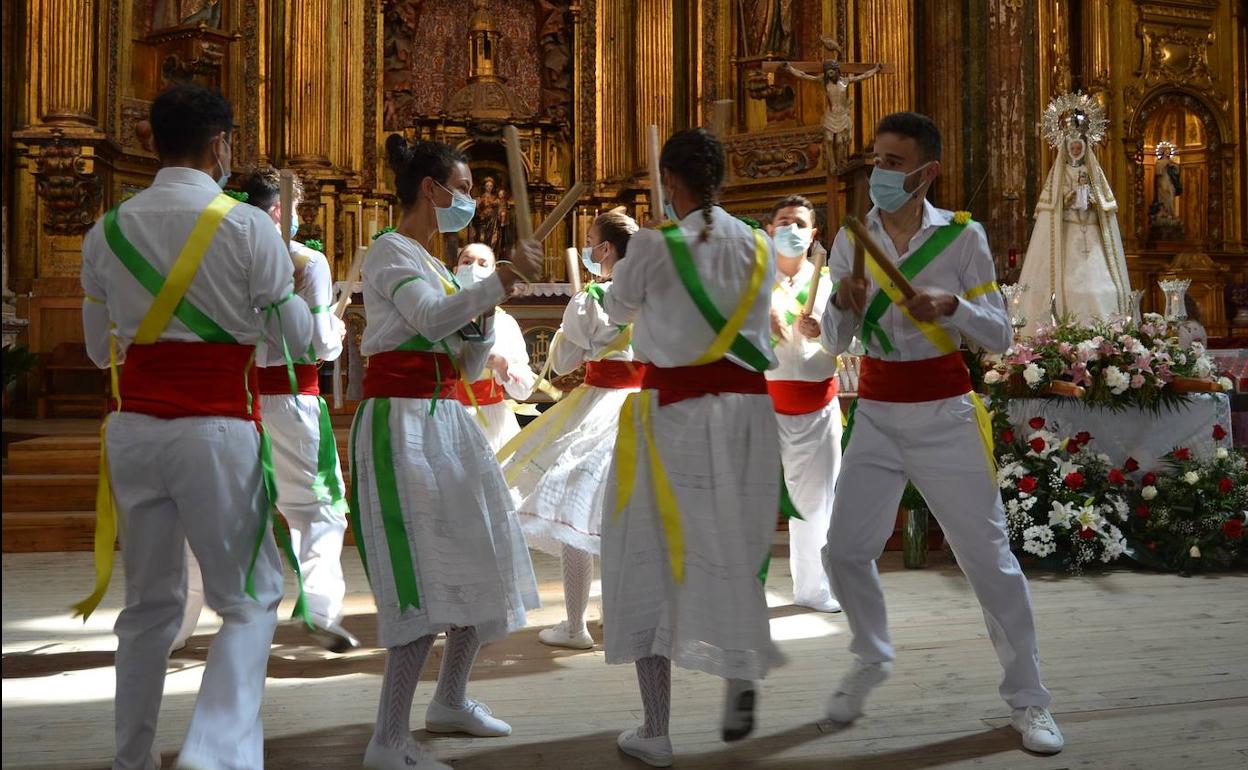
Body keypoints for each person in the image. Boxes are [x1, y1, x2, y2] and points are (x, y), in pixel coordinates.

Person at [803, 111, 1064, 754]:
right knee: (843, 551)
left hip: (946, 410)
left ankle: (1029, 701)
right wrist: (841, 304)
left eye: (893, 163)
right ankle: (871, 652)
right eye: (875, 160)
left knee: (989, 562)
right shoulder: (852, 239)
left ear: (928, 171)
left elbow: (1001, 335)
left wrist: (952, 307)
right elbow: (834, 343)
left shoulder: (962, 237)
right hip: (880, 414)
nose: (878, 173)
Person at [78, 83, 313, 770]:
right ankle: (214, 756)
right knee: (250, 597)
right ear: (219, 146)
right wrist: (293, 286)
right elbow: (296, 343)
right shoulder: (247, 228)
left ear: (151, 141)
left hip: (134, 431)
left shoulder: (107, 230)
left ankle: (132, 759)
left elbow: (101, 351)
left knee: (150, 605)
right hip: (215, 430)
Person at [351, 133, 543, 770]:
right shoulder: (388, 252)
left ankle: (451, 701)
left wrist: (489, 317)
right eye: (461, 189)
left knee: (477, 562)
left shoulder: (433, 261)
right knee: (424, 578)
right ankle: (388, 738)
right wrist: (498, 283)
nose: (469, 201)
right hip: (400, 422)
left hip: (446, 417)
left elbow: (463, 355)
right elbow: (431, 319)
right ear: (431, 190)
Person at [601, 128, 785, 767]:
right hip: (749, 415)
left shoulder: (653, 243)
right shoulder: (759, 243)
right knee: (731, 549)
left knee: (649, 552)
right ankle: (740, 676)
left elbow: (616, 308)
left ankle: (657, 728)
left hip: (675, 414)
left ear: (672, 183)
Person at [170, 166, 358, 655]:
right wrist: (334, 338)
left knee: (217, 507)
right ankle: (319, 607)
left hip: (233, 397)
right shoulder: (305, 260)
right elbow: (315, 341)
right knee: (316, 507)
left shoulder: (215, 256)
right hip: (291, 394)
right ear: (279, 211)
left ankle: (177, 621)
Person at [501, 207, 643, 650]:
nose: (585, 247)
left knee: (574, 513)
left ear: (604, 249)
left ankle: (575, 624)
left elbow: (562, 364)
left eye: (589, 239)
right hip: (650, 407)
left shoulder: (592, 299)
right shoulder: (660, 293)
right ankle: (629, 618)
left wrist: (572, 329)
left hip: (600, 405)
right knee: (632, 515)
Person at [764, 194, 842, 614]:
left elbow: (852, 339)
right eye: (783, 222)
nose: (790, 230)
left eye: (799, 223)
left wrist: (824, 331)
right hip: (762, 405)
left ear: (813, 235)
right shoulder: (752, 284)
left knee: (815, 504)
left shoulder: (830, 282)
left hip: (817, 406)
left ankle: (814, 589)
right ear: (769, 230)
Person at [1017, 101, 1131, 333]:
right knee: (1067, 287)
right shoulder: (1059, 174)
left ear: (1084, 146)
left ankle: (1107, 333)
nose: (1076, 150)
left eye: (1079, 146)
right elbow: (1050, 205)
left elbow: (1107, 204)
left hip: (1091, 234)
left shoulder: (1093, 172)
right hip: (1067, 235)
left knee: (1101, 288)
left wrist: (1093, 200)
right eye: (1072, 147)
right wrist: (1067, 199)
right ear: (1066, 147)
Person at [452, 242, 538, 452]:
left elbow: (525, 389)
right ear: (455, 271)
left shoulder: (505, 323)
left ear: (493, 274)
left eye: (483, 264)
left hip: (493, 420)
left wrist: (503, 366)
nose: (473, 268)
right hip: (449, 417)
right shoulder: (443, 317)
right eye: (467, 262)